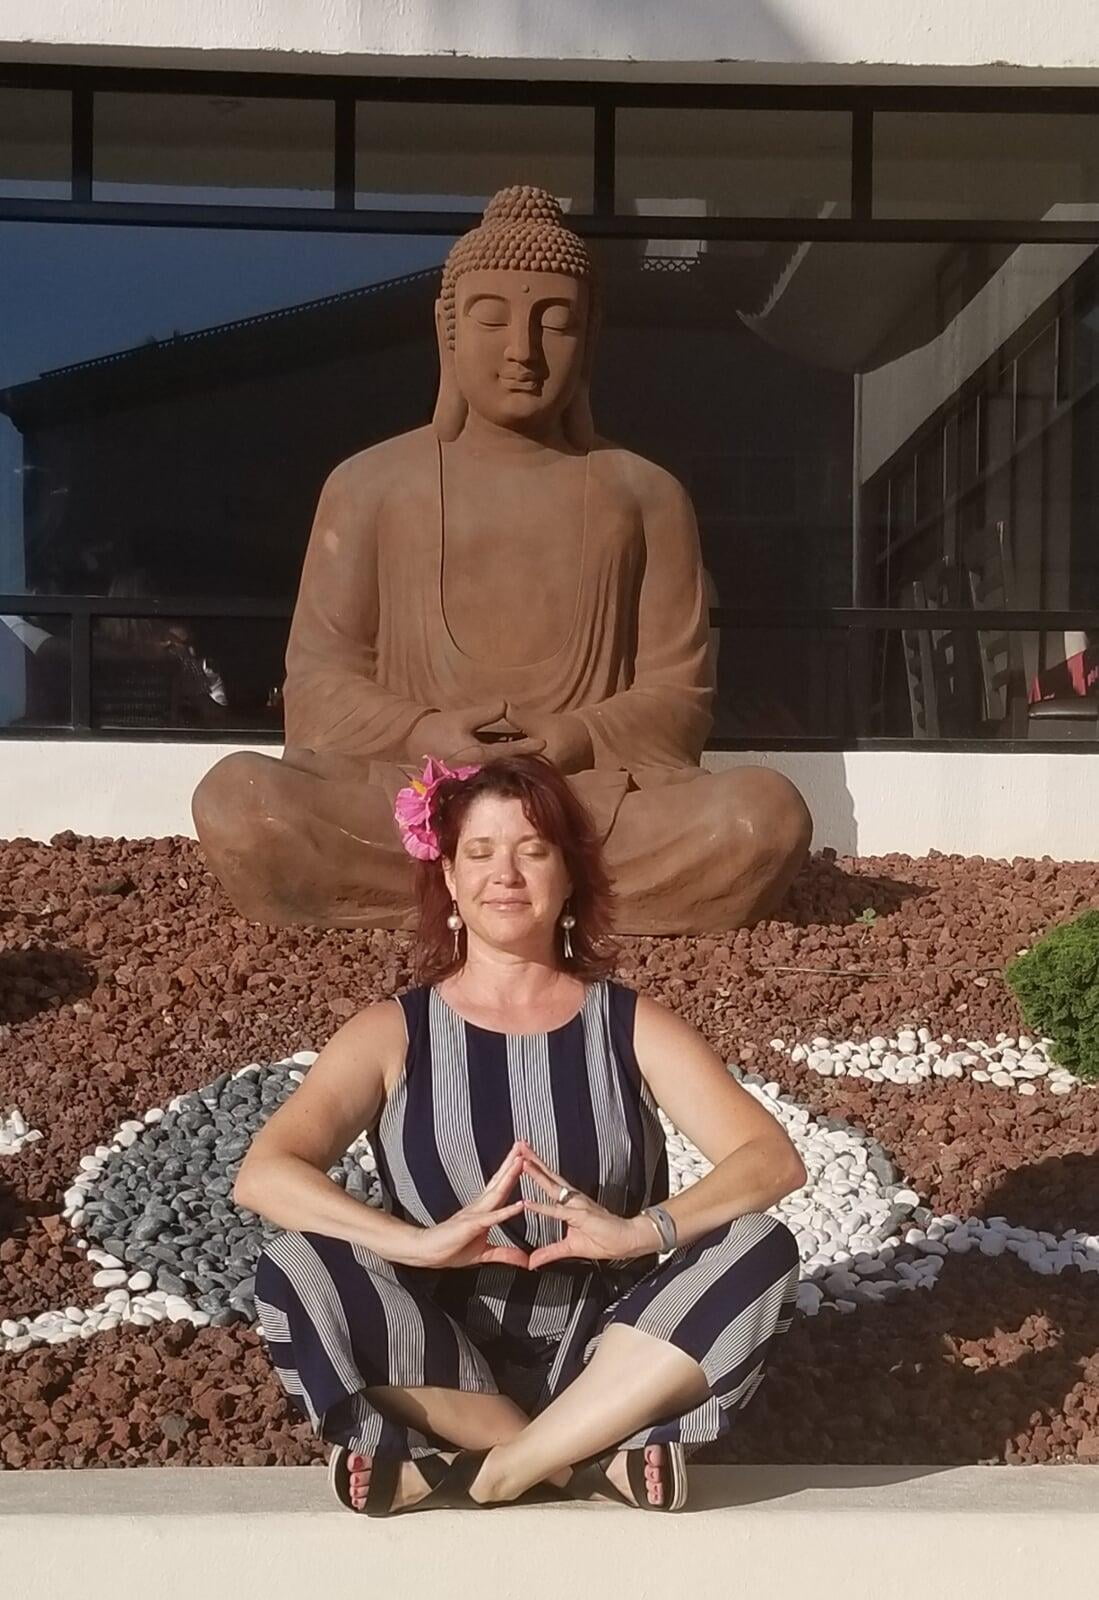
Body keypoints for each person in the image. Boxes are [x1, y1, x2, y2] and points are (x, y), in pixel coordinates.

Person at [237, 753, 805, 1515]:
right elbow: (265, 1173)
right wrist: (414, 1244)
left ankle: (492, 1473)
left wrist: (640, 1232)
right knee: (297, 1262)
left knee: (758, 1245)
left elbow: (770, 1160)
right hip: (440, 1354)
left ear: (569, 877)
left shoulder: (628, 1024)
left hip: (611, 1354)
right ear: (447, 878)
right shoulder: (391, 1032)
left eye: (533, 851)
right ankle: (585, 1459)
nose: (504, 873)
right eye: (479, 852)